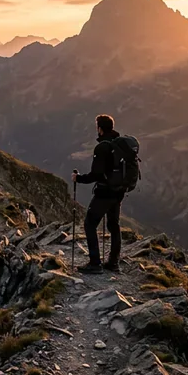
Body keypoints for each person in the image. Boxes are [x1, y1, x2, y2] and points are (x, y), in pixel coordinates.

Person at [72, 114, 124, 274]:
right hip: (119, 192)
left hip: (104, 193)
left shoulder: (102, 147)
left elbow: (96, 174)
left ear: (100, 129)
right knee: (114, 225)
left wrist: (78, 178)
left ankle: (95, 263)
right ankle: (113, 263)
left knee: (90, 224)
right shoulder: (120, 144)